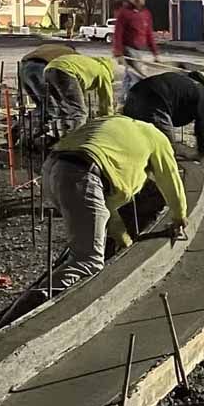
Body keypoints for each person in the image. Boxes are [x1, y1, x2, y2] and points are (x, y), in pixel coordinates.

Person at [42, 115, 188, 294]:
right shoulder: (157, 138)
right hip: (83, 173)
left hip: (53, 168)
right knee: (87, 262)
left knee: (89, 240)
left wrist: (123, 240)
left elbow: (105, 208)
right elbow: (170, 178)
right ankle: (33, 312)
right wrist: (179, 216)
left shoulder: (117, 129)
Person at [122, 69, 204, 158]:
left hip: (133, 96)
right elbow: (203, 126)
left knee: (136, 144)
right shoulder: (203, 94)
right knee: (166, 151)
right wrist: (201, 153)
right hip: (155, 103)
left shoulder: (183, 83)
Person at [42, 53, 115, 137]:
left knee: (62, 111)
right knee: (79, 113)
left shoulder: (89, 64)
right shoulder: (104, 71)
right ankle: (76, 142)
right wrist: (106, 120)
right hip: (65, 71)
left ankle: (62, 139)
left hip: (48, 69)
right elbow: (106, 100)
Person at [112, 0, 159, 96]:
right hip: (128, 49)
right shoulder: (124, 13)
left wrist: (155, 53)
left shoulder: (146, 14)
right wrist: (118, 52)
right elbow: (118, 33)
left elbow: (149, 34)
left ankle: (123, 101)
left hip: (139, 50)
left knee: (129, 76)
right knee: (139, 76)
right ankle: (136, 101)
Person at [19, 40, 76, 113]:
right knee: (49, 104)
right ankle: (53, 121)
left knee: (40, 104)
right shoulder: (72, 54)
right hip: (40, 67)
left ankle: (35, 120)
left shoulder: (48, 47)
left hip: (24, 67)